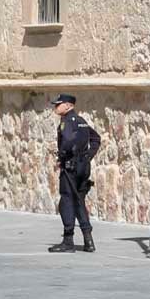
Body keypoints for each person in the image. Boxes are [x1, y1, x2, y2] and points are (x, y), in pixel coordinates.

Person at [48, 94, 101, 253]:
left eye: (59, 104)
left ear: (69, 106)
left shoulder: (67, 122)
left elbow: (69, 141)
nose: (56, 107)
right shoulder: (81, 121)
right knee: (79, 201)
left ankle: (68, 241)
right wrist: (87, 156)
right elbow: (96, 139)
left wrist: (63, 155)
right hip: (83, 168)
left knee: (67, 201)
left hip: (70, 167)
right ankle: (88, 240)